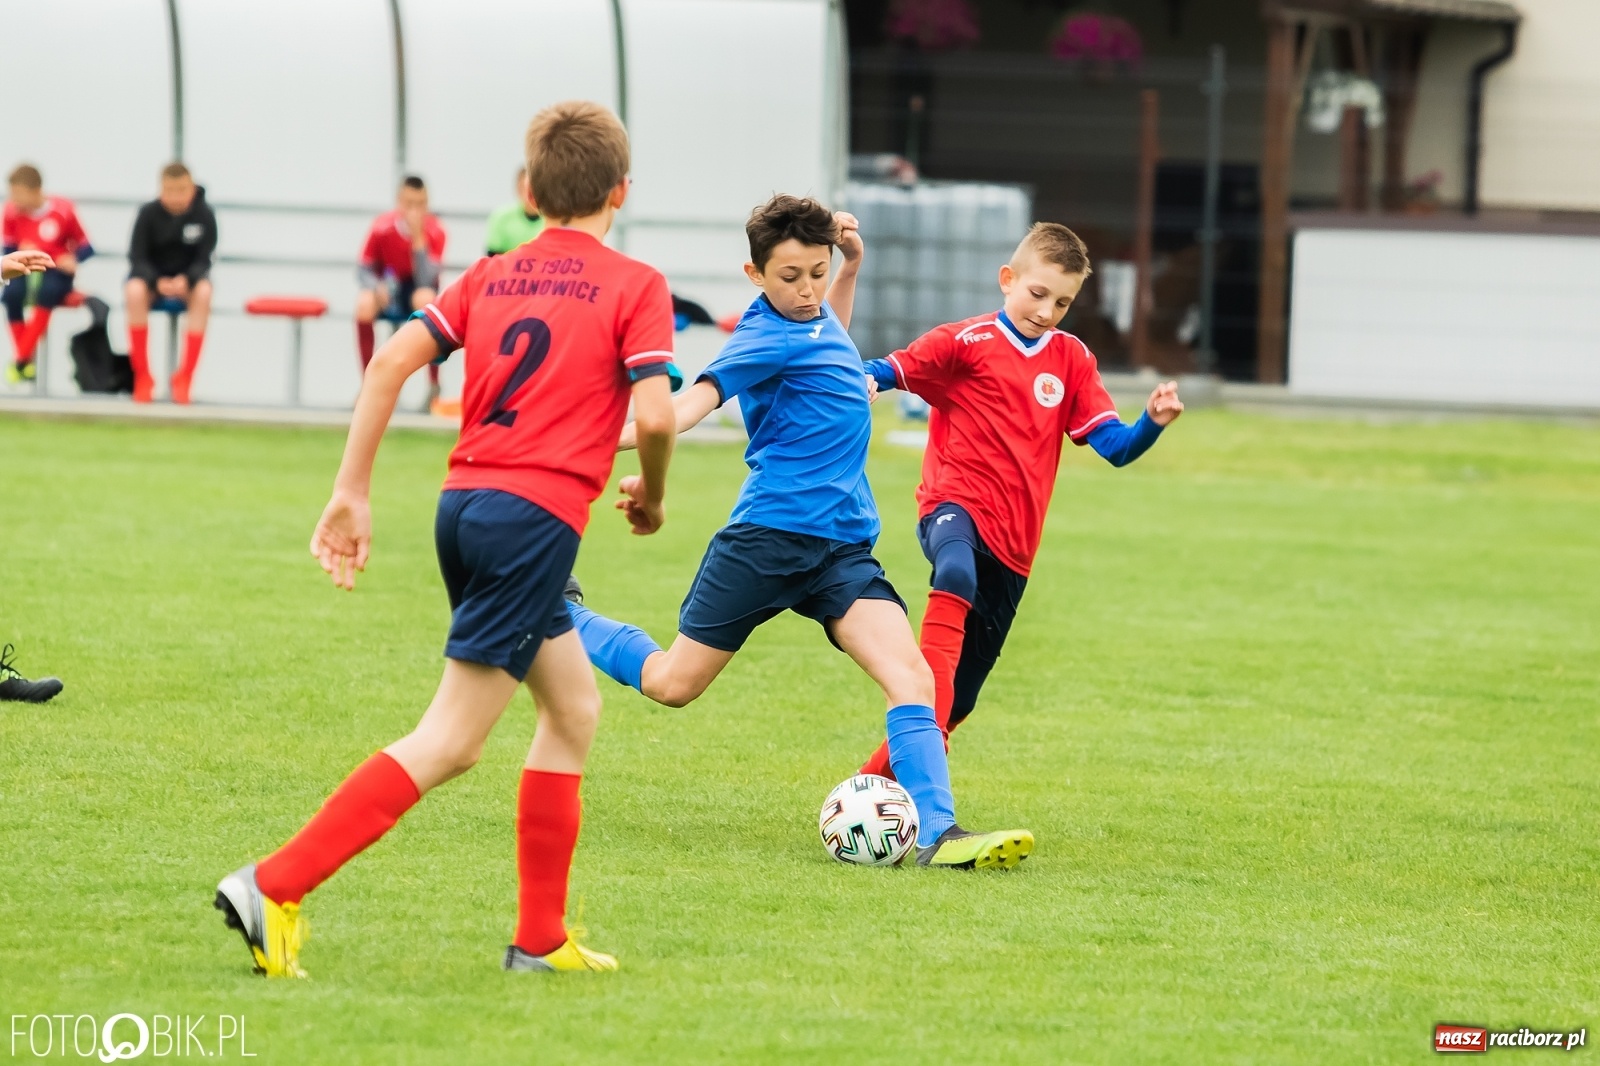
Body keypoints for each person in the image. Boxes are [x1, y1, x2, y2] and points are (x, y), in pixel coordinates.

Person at [214, 101, 677, 978]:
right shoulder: (635, 283)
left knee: (573, 708)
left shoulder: (490, 273)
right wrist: (651, 498)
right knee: (453, 740)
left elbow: (391, 361)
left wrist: (352, 490)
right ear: (621, 191)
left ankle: (540, 939)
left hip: (463, 508)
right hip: (532, 522)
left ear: (532, 191)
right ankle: (274, 883)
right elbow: (654, 413)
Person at [567, 194, 1033, 871]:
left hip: (842, 552)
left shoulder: (816, 317)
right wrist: (573, 444)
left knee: (911, 677)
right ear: (754, 275)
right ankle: (561, 616)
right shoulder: (761, 337)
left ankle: (941, 832)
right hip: (767, 542)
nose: (807, 289)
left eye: (816, 271)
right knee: (673, 682)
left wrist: (848, 269)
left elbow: (832, 342)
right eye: (791, 277)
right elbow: (682, 409)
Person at [854, 223, 1183, 780]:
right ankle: (926, 749)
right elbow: (888, 368)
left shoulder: (1072, 361)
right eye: (1037, 293)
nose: (1047, 310)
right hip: (951, 506)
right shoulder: (965, 341)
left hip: (1014, 548)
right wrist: (865, 380)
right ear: (1008, 280)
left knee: (960, 702)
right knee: (954, 571)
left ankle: (868, 786)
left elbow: (1116, 448)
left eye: (1063, 302)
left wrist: (1150, 424)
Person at [126, 162, 218, 404]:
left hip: (188, 282)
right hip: (153, 282)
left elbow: (205, 259)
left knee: (205, 292)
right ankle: (143, 376)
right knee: (134, 291)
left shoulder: (204, 214)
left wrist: (186, 280)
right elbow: (137, 257)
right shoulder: (148, 214)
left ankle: (185, 377)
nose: (176, 197)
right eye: (170, 191)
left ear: (191, 189)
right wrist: (156, 282)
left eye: (181, 190)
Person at [356, 175, 447, 407]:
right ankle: (369, 386)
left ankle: (433, 388)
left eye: (420, 204)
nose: (415, 211)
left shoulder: (436, 231)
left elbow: (427, 278)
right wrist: (376, 287)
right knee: (364, 304)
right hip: (390, 288)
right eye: (409, 204)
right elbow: (363, 269)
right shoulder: (382, 228)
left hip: (417, 290)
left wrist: (418, 240)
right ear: (399, 202)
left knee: (427, 300)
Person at [3, 164, 92, 385]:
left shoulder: (63, 210)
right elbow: (7, 251)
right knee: (12, 293)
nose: (13, 199)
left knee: (49, 290)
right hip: (24, 268)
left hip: (55, 271)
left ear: (35, 191)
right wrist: (19, 250)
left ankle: (21, 360)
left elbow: (87, 247)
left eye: (18, 194)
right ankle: (25, 360)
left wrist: (73, 260)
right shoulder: (11, 212)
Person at [485, 166, 544, 255]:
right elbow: (493, 257)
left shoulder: (554, 220)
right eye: (523, 188)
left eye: (533, 188)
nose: (528, 193)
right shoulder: (501, 217)